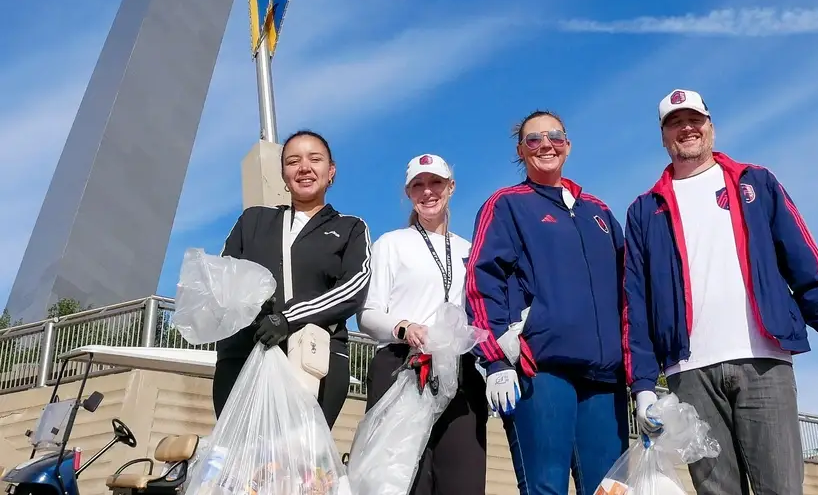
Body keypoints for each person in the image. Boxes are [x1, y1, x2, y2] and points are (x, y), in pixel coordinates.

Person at [623, 89, 818, 495]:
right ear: (663, 137)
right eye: (675, 123)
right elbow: (636, 304)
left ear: (710, 126)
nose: (687, 128)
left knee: (781, 487)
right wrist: (643, 385)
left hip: (763, 360)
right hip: (689, 372)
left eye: (694, 119)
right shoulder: (645, 210)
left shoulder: (756, 183)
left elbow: (802, 259)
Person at [465, 111, 628, 495]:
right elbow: (480, 280)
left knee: (611, 491)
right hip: (542, 369)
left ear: (568, 145)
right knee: (546, 487)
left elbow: (627, 290)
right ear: (521, 152)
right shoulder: (506, 204)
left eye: (554, 136)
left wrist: (640, 374)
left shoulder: (600, 212)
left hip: (604, 377)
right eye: (533, 140)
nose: (545, 145)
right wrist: (494, 357)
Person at [214, 129, 372, 428]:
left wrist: (288, 318)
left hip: (313, 357)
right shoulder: (253, 221)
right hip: (245, 353)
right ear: (284, 173)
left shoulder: (350, 228)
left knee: (301, 462)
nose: (304, 168)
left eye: (315, 159)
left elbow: (354, 288)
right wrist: (249, 305)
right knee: (241, 458)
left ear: (331, 171)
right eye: (293, 161)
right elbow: (224, 276)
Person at [357, 153, 487, 495]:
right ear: (408, 193)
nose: (427, 192)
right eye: (418, 185)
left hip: (458, 371)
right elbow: (368, 314)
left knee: (464, 481)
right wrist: (403, 327)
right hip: (403, 365)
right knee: (401, 480)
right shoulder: (392, 244)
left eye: (435, 183)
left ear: (451, 187)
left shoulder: (470, 251)